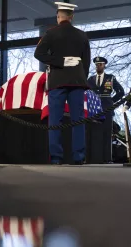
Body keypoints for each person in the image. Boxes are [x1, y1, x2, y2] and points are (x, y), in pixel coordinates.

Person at [34, 2, 91, 165]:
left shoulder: (51, 33)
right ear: (72, 17)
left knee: (55, 120)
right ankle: (78, 157)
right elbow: (86, 62)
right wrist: (81, 77)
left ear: (58, 17)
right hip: (77, 81)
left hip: (57, 81)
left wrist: (59, 61)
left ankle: (56, 157)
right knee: (78, 120)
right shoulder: (82, 35)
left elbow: (38, 54)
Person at [86, 56, 125, 164]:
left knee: (107, 133)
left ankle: (107, 158)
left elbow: (121, 91)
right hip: (93, 109)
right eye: (97, 64)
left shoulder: (110, 78)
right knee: (93, 132)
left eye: (100, 64)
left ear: (104, 65)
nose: (98, 66)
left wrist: (112, 101)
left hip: (107, 107)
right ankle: (92, 157)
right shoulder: (90, 79)